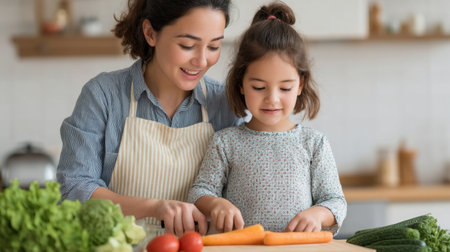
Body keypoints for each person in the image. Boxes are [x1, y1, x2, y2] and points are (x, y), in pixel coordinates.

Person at [56, 0, 241, 236]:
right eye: (187, 45)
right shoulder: (104, 96)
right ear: (150, 33)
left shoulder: (225, 103)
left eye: (214, 47)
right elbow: (73, 189)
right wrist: (155, 207)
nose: (202, 61)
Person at [187, 2, 347, 234]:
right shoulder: (226, 142)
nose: (272, 99)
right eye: (259, 87)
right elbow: (199, 191)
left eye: (285, 88)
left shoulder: (314, 144)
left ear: (300, 85)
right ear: (241, 83)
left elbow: (335, 201)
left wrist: (317, 214)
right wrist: (216, 204)